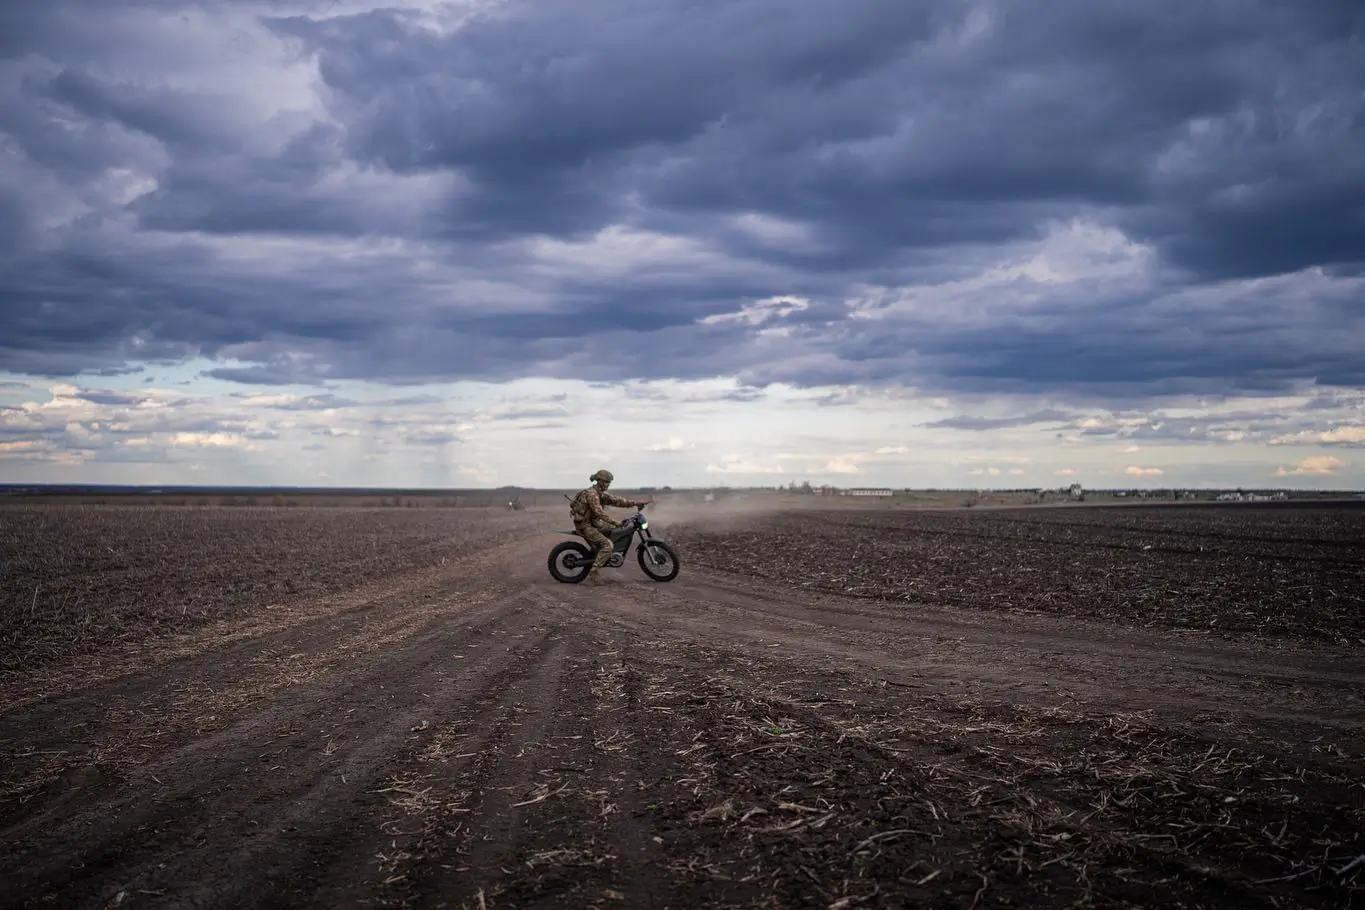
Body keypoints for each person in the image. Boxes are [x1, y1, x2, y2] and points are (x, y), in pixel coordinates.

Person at [569, 469, 650, 584]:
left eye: (609, 482)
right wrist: (616, 522)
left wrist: (636, 503)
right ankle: (594, 572)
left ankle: (605, 557)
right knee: (607, 545)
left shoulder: (599, 493)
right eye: (606, 482)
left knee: (614, 532)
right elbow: (599, 513)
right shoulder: (593, 495)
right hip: (585, 525)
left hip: (594, 523)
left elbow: (617, 501)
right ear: (600, 481)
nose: (608, 484)